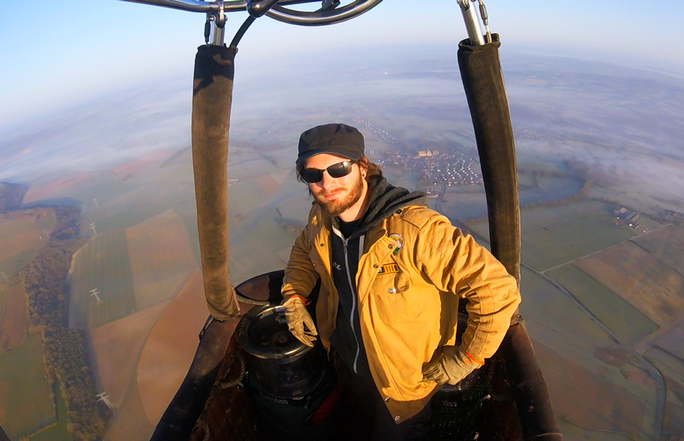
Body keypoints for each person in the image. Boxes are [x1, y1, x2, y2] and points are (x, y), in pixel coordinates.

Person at [281, 123, 521, 440]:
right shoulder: (323, 218)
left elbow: (497, 291)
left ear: (362, 167)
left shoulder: (415, 231)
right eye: (314, 175)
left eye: (338, 168)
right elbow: (303, 249)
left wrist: (468, 358)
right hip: (348, 366)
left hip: (403, 390)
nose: (327, 183)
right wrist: (294, 296)